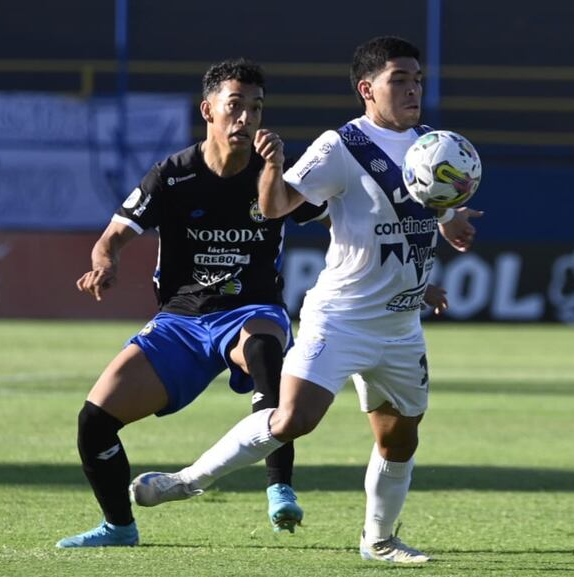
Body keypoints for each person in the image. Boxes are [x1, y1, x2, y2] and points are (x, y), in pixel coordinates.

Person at [128, 36, 481, 563]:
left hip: (401, 326)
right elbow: (274, 208)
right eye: (399, 79)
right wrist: (273, 165)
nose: (413, 89)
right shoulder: (340, 146)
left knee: (399, 440)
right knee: (292, 418)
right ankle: (189, 480)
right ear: (367, 89)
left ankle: (378, 541)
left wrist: (450, 222)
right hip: (339, 319)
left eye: (417, 79)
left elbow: (416, 212)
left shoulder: (432, 145)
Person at [56, 58, 330, 548]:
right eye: (236, 106)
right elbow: (113, 236)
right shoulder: (173, 175)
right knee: (94, 423)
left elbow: (345, 210)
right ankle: (120, 527)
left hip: (251, 309)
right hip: (181, 320)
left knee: (266, 352)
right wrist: (106, 263)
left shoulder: (279, 175)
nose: (246, 118)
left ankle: (279, 488)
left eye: (257, 108)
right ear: (209, 110)